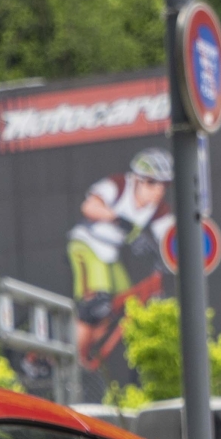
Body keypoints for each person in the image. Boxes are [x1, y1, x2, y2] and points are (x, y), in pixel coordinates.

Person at [69, 147, 174, 370]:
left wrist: (170, 255)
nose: (157, 191)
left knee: (121, 304)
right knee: (95, 304)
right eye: (151, 183)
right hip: (87, 244)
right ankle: (69, 360)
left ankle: (84, 352)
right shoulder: (118, 185)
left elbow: (170, 235)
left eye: (163, 185)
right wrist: (118, 219)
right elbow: (89, 206)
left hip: (110, 254)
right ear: (137, 179)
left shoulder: (158, 208)